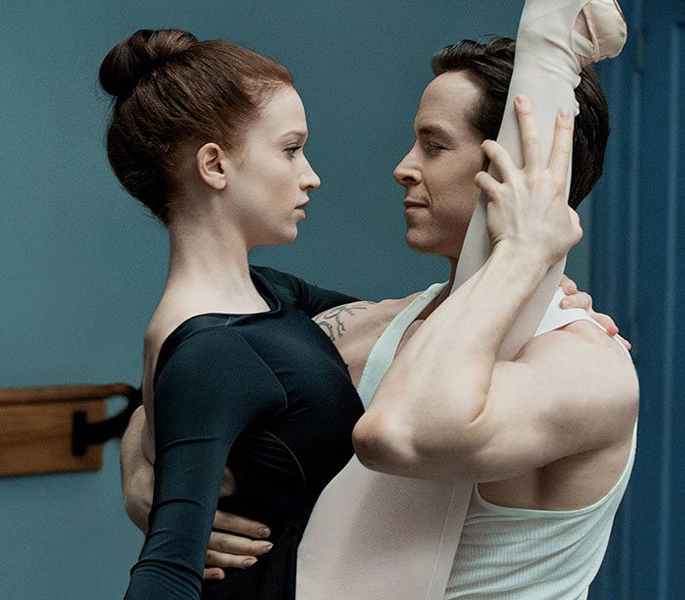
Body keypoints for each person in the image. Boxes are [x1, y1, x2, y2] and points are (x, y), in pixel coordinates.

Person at [122, 8, 634, 600]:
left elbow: (403, 431)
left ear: (513, 174)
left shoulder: (586, 368)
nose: (403, 168)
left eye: (433, 146)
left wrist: (520, 257)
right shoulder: (376, 327)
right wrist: (149, 479)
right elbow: (199, 363)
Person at [101, 29, 371, 599]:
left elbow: (396, 317)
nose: (311, 175)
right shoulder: (211, 347)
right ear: (215, 165)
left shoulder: (270, 293)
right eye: (291, 149)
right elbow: (166, 572)